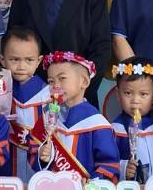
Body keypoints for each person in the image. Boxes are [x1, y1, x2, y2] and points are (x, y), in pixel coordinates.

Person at [31, 52, 117, 181]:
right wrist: (42, 156)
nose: (56, 85)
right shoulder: (47, 117)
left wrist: (92, 184)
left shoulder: (97, 124)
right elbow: (33, 149)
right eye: (51, 81)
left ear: (84, 82)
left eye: (62, 78)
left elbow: (109, 166)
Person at [0, 25, 50, 179]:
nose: (21, 66)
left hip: (38, 166)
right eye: (14, 59)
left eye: (29, 60)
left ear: (39, 61)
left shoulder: (48, 95)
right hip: (4, 164)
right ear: (2, 60)